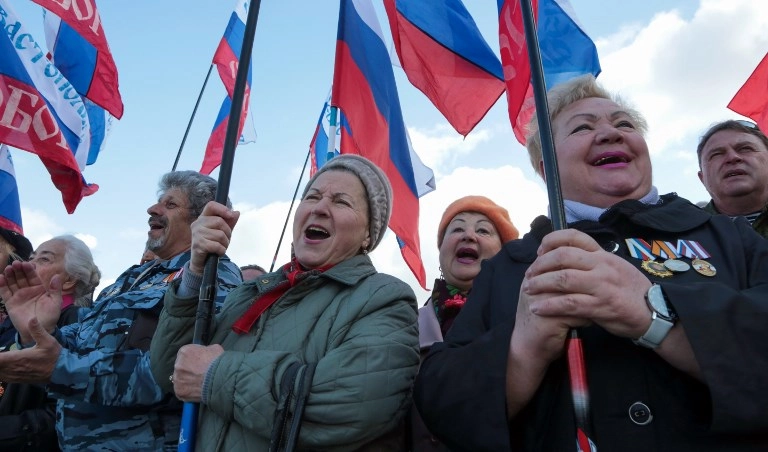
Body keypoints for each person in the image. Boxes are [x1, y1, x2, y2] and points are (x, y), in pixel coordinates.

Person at [413, 75, 768, 451]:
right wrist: (522, 351)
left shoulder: (729, 237)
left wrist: (659, 315)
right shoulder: (508, 266)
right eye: (582, 127)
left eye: (624, 124)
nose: (610, 134)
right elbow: (442, 408)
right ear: (545, 166)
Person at [150, 155, 419, 451]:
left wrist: (216, 375)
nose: (319, 207)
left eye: (341, 202)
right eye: (312, 196)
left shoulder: (383, 297)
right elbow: (171, 371)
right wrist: (196, 273)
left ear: (369, 233)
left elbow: (349, 407)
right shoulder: (250, 293)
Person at [0, 171, 243, 451]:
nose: (152, 209)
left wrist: (60, 370)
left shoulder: (213, 275)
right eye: (157, 202)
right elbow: (77, 345)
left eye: (171, 204)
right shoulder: (131, 278)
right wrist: (37, 330)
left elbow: (178, 375)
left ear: (202, 220)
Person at [411, 195, 518, 451]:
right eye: (457, 228)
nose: (468, 236)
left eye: (483, 230)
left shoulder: (525, 320)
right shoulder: (403, 324)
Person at [0, 234, 100, 451]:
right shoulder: (10, 322)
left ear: (69, 280)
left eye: (44, 259)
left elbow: (65, 411)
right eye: (32, 257)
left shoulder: (80, 324)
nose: (27, 264)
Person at [696, 119, 768, 237]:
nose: (732, 157)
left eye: (745, 148)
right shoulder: (677, 231)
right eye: (717, 154)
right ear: (702, 178)